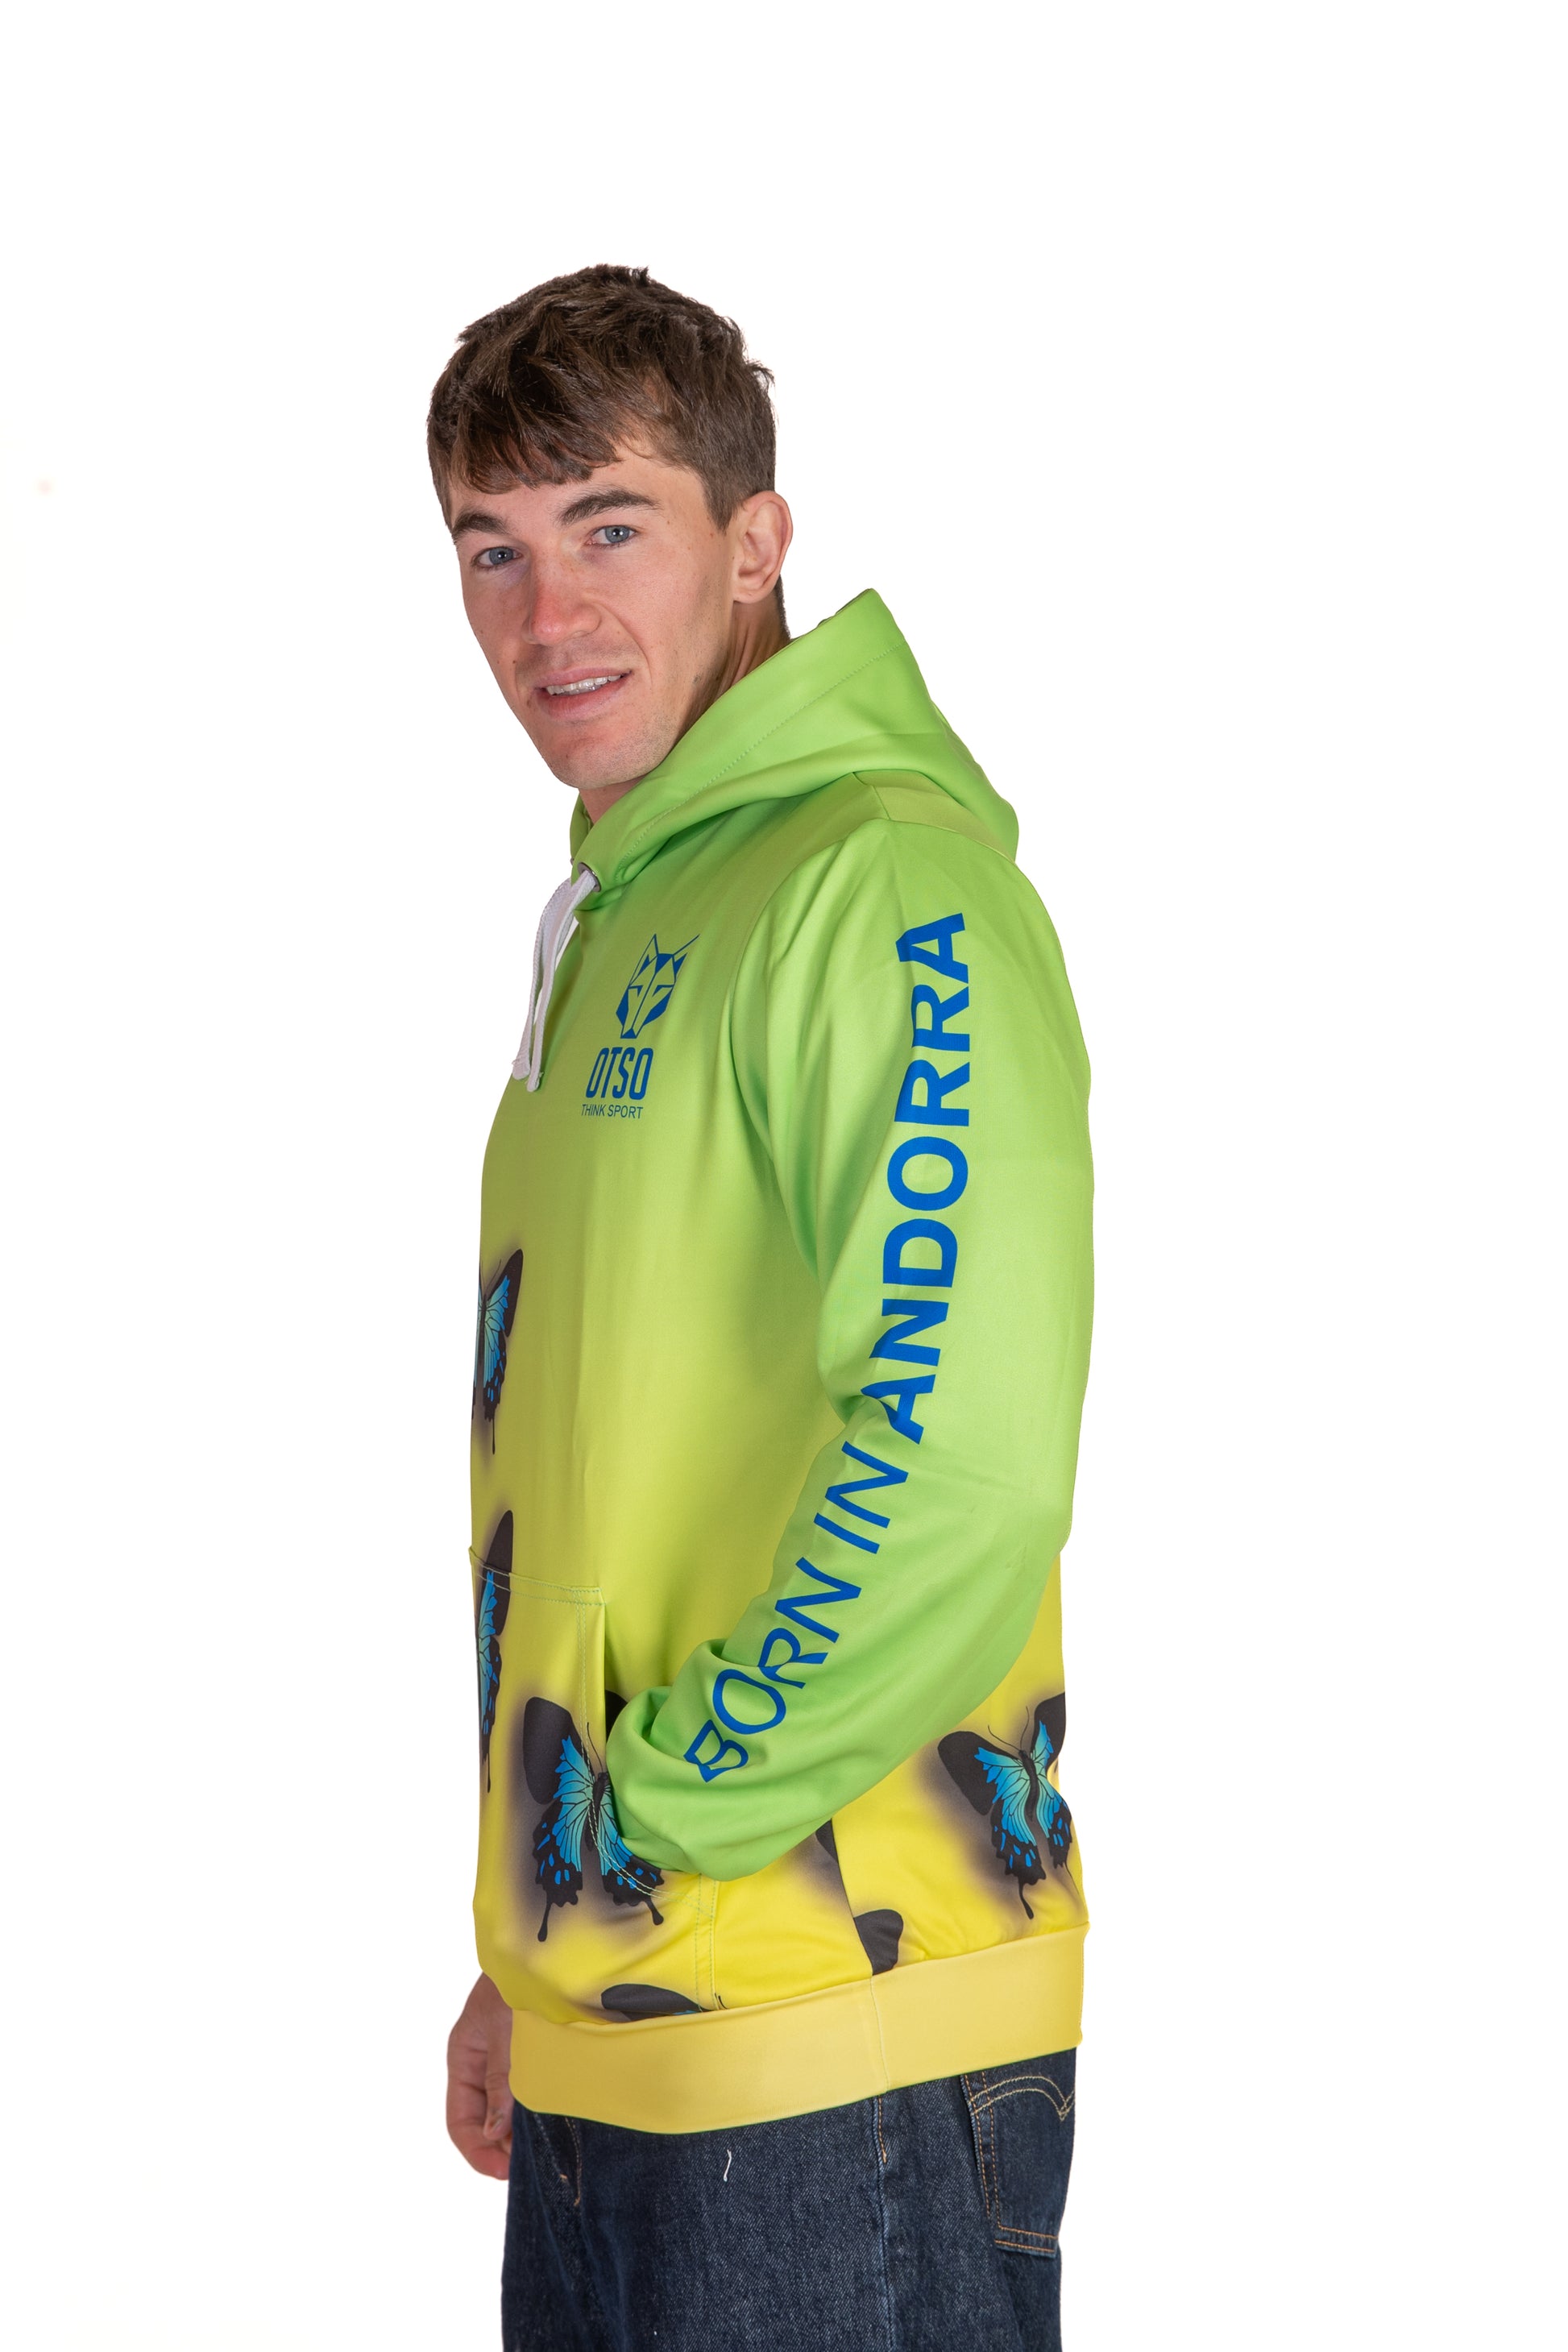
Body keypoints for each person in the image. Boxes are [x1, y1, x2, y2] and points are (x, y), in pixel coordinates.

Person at [430, 265, 1093, 2352]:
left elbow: (959, 1461)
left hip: (833, 2041)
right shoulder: (637, 904)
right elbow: (628, 1472)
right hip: (631, 2021)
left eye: (609, 526)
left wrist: (651, 1821)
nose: (548, 615)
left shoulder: (876, 889)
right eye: (492, 550)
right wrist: (535, 1939)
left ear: (756, 539)